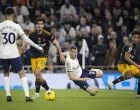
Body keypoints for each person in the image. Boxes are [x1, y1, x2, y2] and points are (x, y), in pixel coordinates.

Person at [0, 7, 44, 102]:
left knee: (6, 73)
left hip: (3, 54)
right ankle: (27, 96)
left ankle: (8, 95)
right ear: (13, 15)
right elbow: (26, 40)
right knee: (22, 74)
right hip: (14, 54)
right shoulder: (16, 26)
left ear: (5, 15)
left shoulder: (0, 26)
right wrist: (38, 47)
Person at [27, 18, 65, 98]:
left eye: (41, 24)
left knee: (38, 73)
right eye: (38, 24)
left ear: (43, 25)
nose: (40, 25)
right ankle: (48, 90)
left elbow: (57, 44)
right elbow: (24, 44)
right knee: (39, 77)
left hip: (43, 56)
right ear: (36, 25)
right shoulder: (31, 34)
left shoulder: (47, 34)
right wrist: (20, 52)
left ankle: (36, 94)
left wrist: (61, 54)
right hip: (33, 57)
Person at [108, 30, 140, 98]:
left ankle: (138, 94)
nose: (136, 39)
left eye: (138, 37)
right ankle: (112, 83)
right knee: (129, 75)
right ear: (132, 38)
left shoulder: (137, 46)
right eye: (134, 37)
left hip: (130, 65)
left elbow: (135, 58)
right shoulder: (129, 45)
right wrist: (137, 65)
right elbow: (127, 58)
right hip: (122, 63)